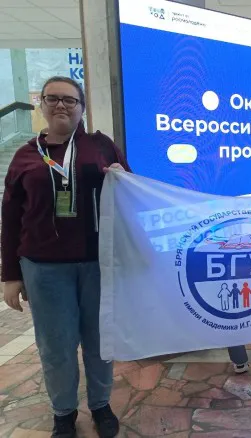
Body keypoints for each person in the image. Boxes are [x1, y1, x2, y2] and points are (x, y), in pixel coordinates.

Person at [1, 77, 128, 438]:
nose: (61, 105)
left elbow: (132, 193)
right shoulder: (26, 155)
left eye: (70, 100)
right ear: (41, 105)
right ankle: (63, 413)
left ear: (82, 108)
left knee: (100, 342)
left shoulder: (101, 146)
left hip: (97, 264)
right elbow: (10, 218)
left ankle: (101, 405)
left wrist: (121, 178)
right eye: (53, 98)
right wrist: (10, 275)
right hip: (43, 268)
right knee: (56, 345)